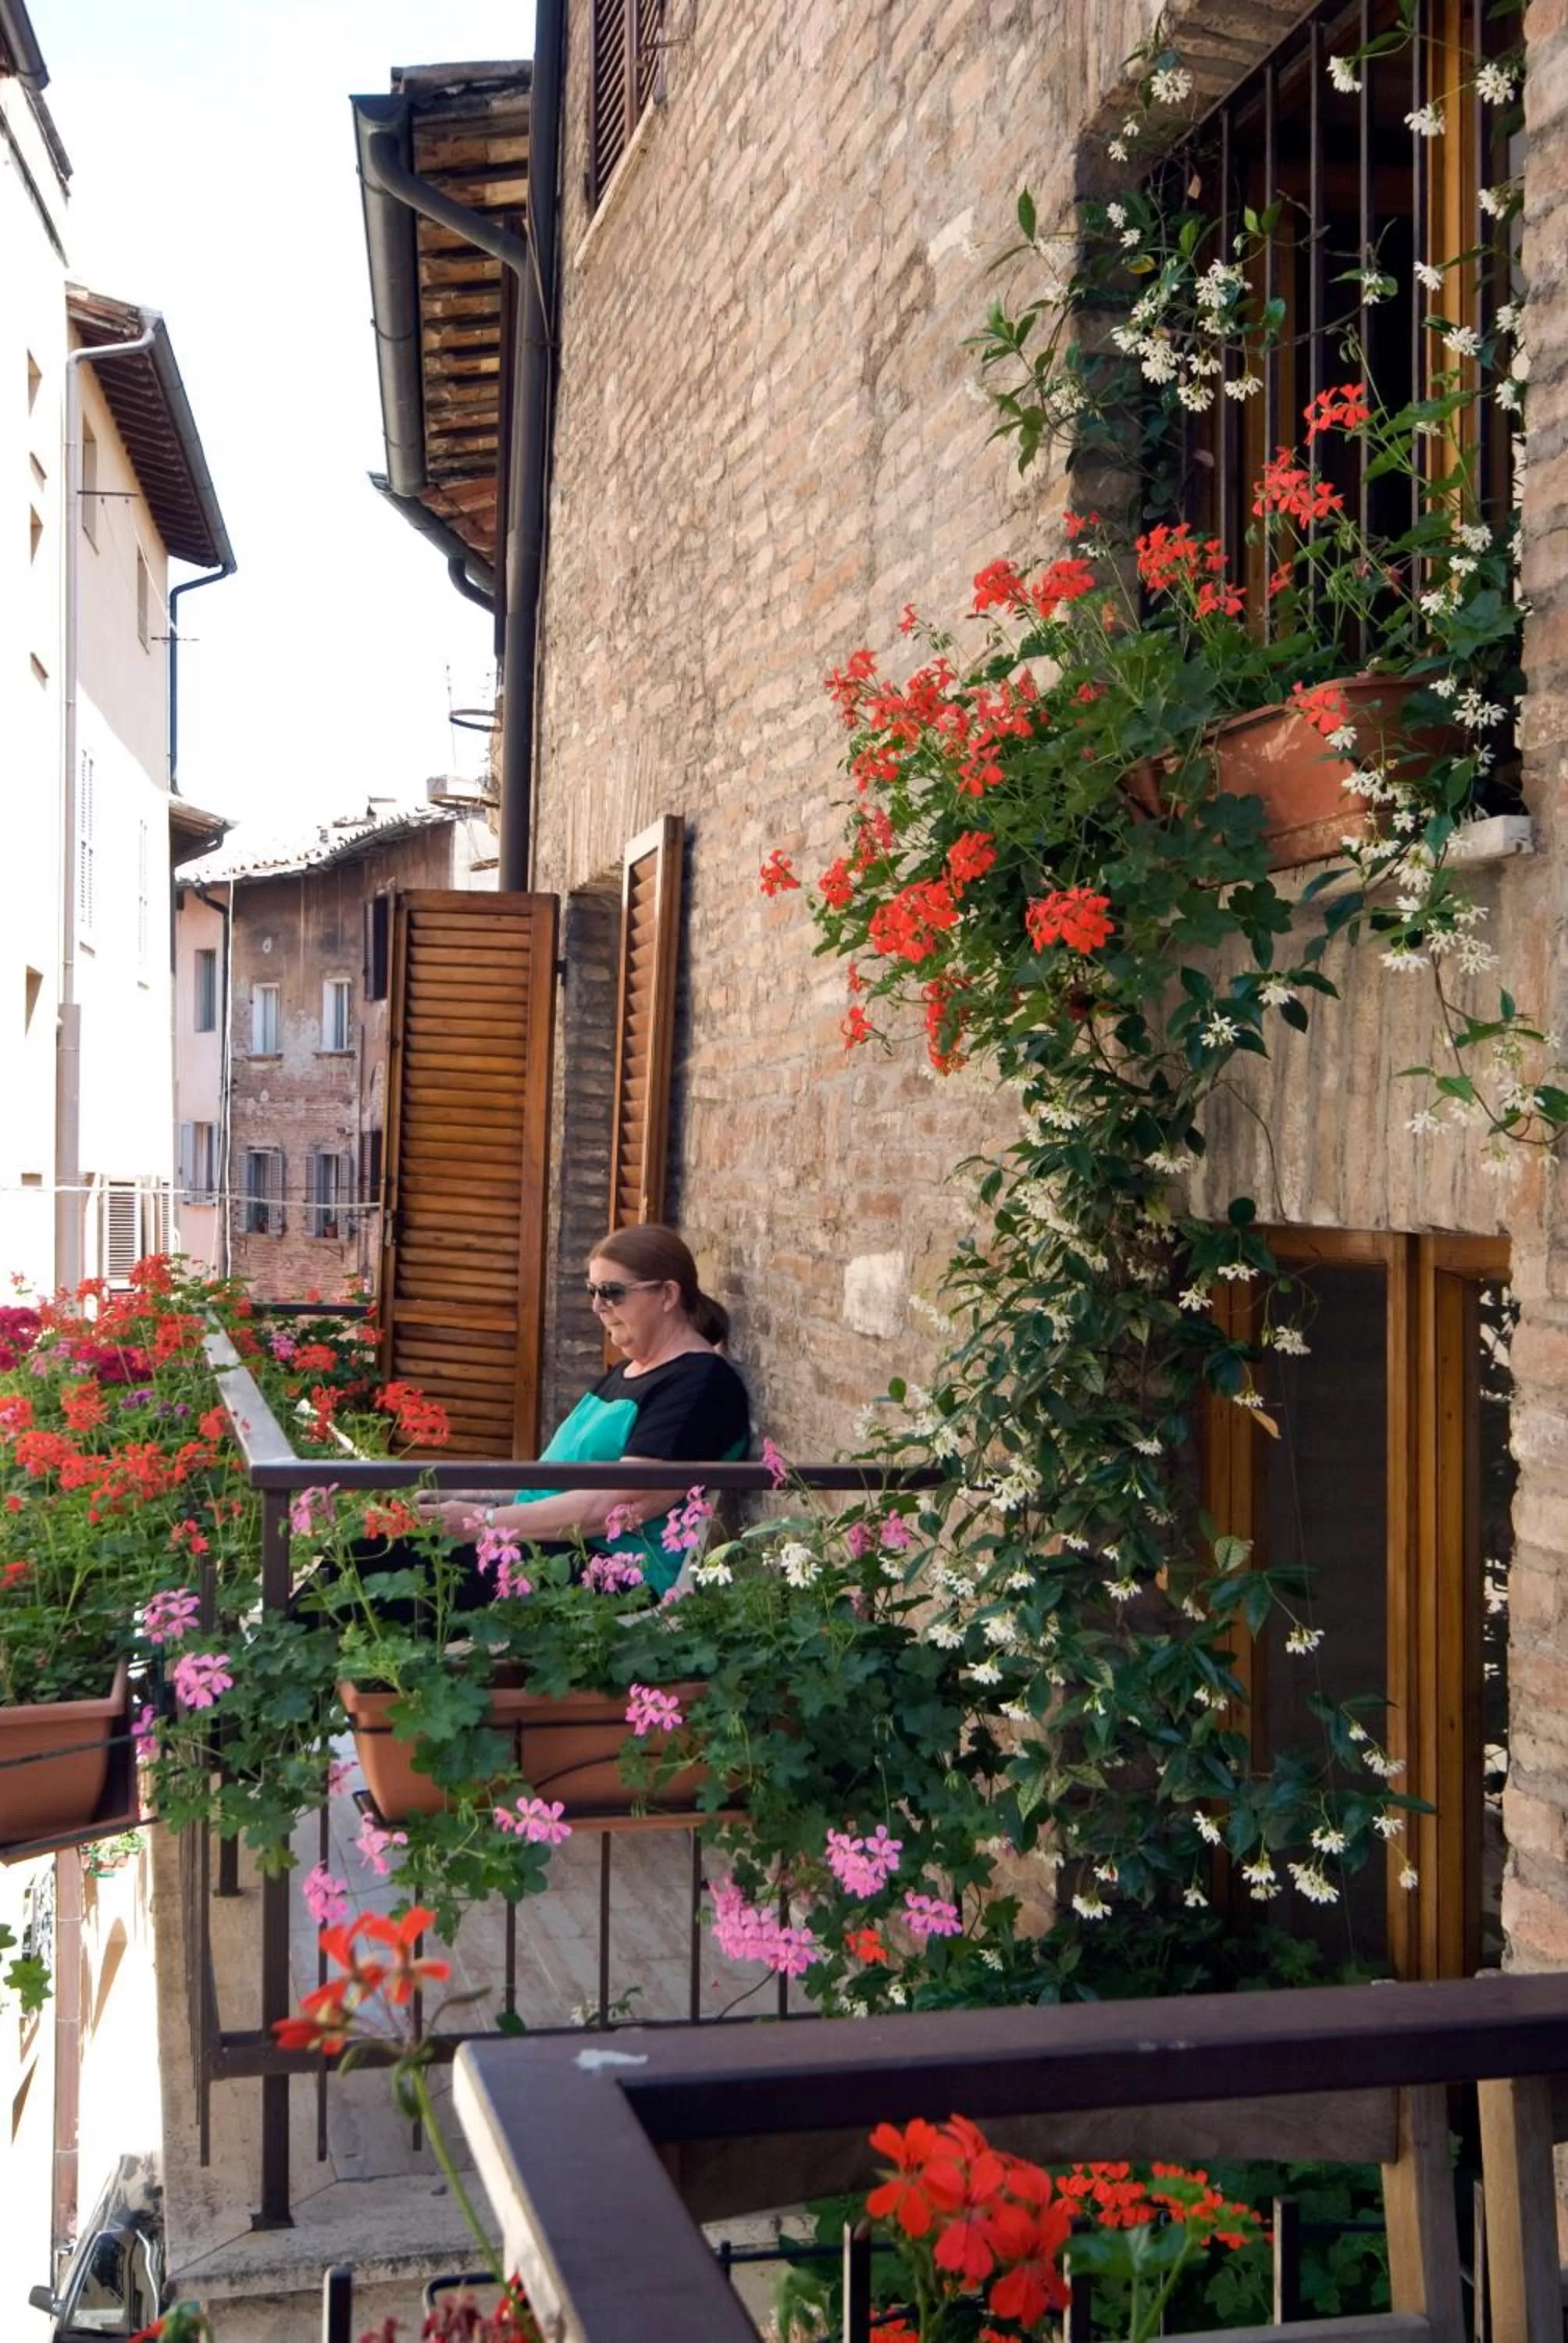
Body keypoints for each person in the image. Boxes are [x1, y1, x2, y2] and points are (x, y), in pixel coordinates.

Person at [414, 1225, 750, 1597]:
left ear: (668, 1295)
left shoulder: (700, 1385)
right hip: (543, 1546)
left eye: (612, 1293)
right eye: (593, 1291)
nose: (597, 1306)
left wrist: (483, 1523)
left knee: (391, 1568)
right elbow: (552, 1481)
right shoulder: (627, 1372)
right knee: (376, 1546)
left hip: (609, 1570)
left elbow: (624, 1503)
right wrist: (468, 1501)